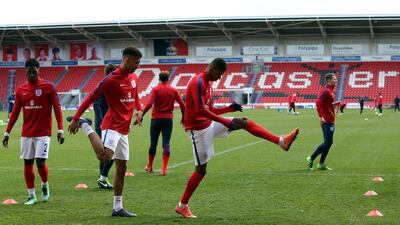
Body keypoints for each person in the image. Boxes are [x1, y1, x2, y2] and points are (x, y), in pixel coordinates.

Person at [174, 58, 299, 219]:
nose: (219, 78)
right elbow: (199, 111)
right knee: (201, 170)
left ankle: (281, 141)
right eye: (219, 74)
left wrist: (227, 109)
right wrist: (225, 121)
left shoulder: (208, 85)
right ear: (213, 68)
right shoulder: (197, 82)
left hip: (209, 124)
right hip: (197, 131)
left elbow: (210, 109)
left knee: (244, 122)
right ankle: (182, 206)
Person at [67, 46, 142, 217]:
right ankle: (85, 125)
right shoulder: (111, 79)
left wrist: (139, 110)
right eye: (136, 63)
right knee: (105, 157)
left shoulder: (134, 77)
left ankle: (117, 208)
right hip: (112, 125)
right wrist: (77, 118)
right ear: (127, 60)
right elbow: (91, 97)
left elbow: (136, 96)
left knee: (122, 167)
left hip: (124, 128)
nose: (138, 65)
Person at [2, 58, 64, 205]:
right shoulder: (20, 90)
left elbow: (57, 107)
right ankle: (31, 195)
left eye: (33, 70)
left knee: (41, 163)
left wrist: (60, 129)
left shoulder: (48, 87)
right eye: (28, 71)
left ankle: (44, 185)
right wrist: (7, 132)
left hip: (43, 133)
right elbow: (15, 113)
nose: (31, 73)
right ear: (26, 71)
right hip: (27, 134)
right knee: (27, 163)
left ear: (38, 70)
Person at [138, 71, 185, 176]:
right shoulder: (173, 90)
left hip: (156, 119)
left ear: (159, 79)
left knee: (153, 143)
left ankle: (150, 166)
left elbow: (150, 103)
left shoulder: (155, 89)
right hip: (168, 119)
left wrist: (142, 115)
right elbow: (182, 104)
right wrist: (183, 117)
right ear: (168, 79)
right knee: (166, 143)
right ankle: (163, 169)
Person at [306, 73, 338, 171]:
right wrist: (321, 116)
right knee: (328, 142)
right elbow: (318, 102)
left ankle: (321, 164)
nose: (336, 80)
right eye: (334, 79)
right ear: (329, 80)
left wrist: (336, 104)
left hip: (330, 119)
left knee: (328, 143)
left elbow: (327, 103)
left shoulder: (330, 91)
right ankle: (311, 158)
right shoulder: (326, 91)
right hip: (326, 120)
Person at [94, 64, 117, 189]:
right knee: (110, 151)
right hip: (104, 124)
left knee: (106, 151)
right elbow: (96, 104)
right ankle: (102, 177)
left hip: (111, 122)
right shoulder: (103, 85)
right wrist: (100, 120)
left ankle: (102, 176)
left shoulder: (111, 85)